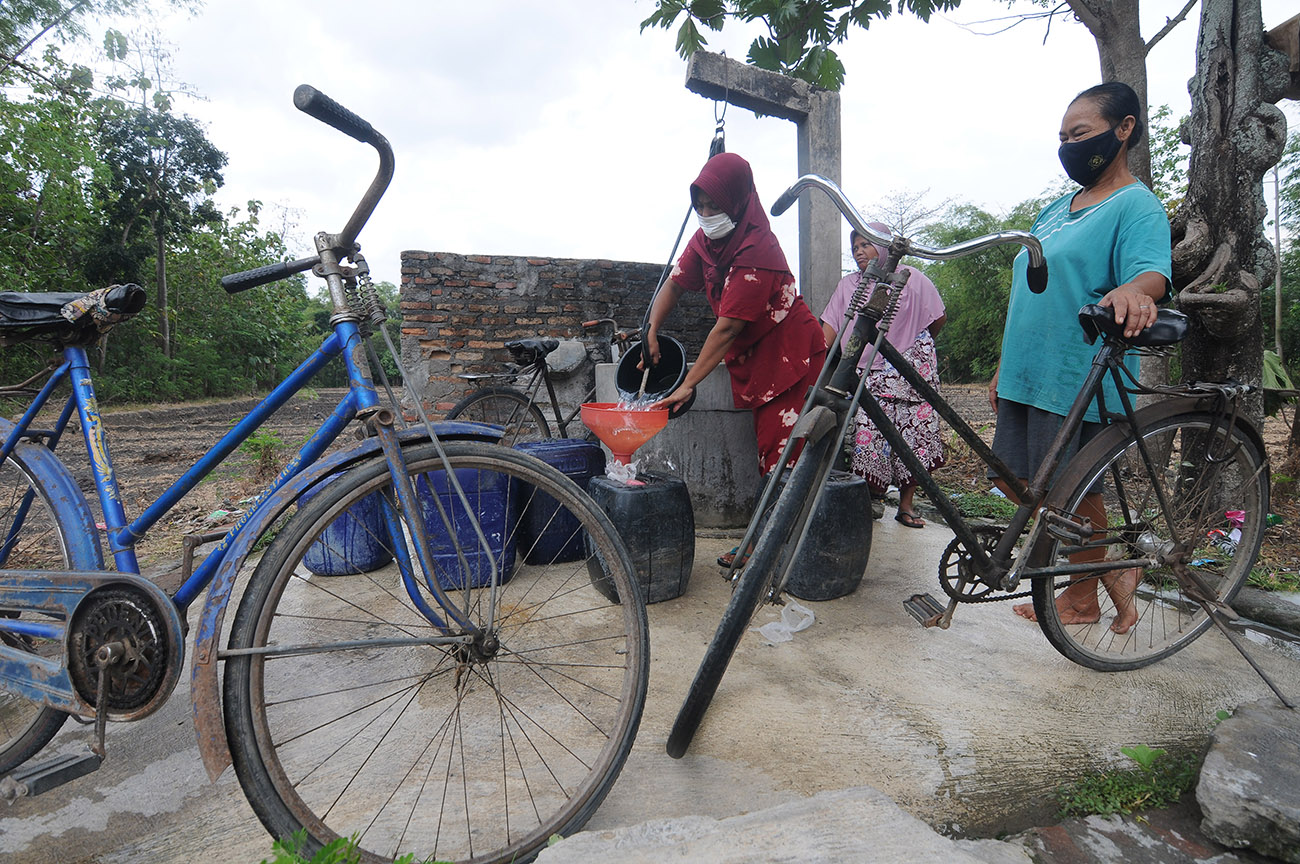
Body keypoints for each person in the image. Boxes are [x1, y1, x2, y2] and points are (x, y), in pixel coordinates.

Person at [990, 82, 1172, 635]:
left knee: (1070, 491)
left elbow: (1151, 273)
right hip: (1026, 371)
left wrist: (1132, 291)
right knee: (1019, 482)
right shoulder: (1054, 209)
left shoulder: (1136, 205)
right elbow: (1030, 290)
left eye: (1081, 133)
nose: (1069, 146)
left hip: (1076, 372)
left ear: (1124, 129)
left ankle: (1083, 596)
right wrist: (1003, 366)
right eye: (1063, 137)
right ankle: (1113, 576)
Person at [646, 153, 827, 566]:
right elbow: (675, 284)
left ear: (739, 200)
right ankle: (771, 543)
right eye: (700, 206)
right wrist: (651, 329)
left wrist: (688, 384)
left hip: (789, 355)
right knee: (771, 451)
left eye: (716, 205)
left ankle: (766, 550)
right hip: (757, 356)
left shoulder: (757, 248)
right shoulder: (706, 242)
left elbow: (727, 328)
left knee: (782, 453)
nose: (707, 215)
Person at [821, 225, 947, 528]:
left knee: (913, 436)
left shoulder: (913, 278)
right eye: (855, 247)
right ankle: (872, 498)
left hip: (911, 370)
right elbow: (829, 331)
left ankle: (906, 505)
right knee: (869, 435)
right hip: (869, 373)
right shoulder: (849, 285)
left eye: (867, 244)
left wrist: (911, 343)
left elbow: (937, 317)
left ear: (884, 247)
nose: (859, 252)